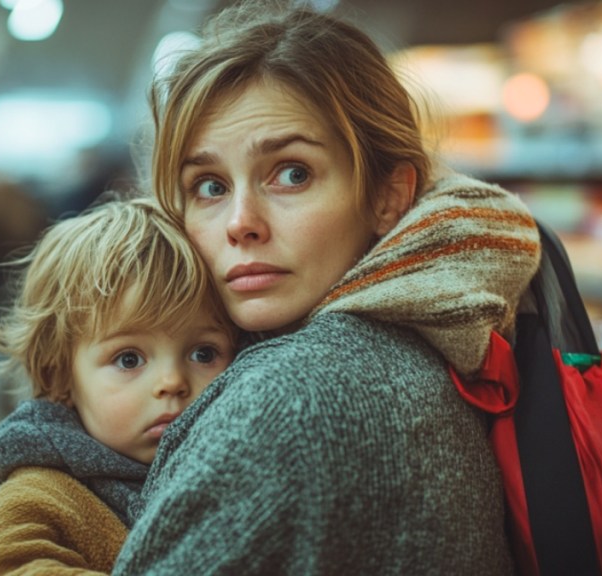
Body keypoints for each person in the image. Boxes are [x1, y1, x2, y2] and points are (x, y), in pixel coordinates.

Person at [112, 2, 543, 574]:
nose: (241, 221)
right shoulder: (424, 342)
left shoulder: (291, 400)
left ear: (387, 197)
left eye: (292, 173)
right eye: (210, 185)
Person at [0, 197, 238, 575]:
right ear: (59, 378)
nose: (172, 382)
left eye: (204, 354)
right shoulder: (40, 495)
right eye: (128, 359)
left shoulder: (237, 465)